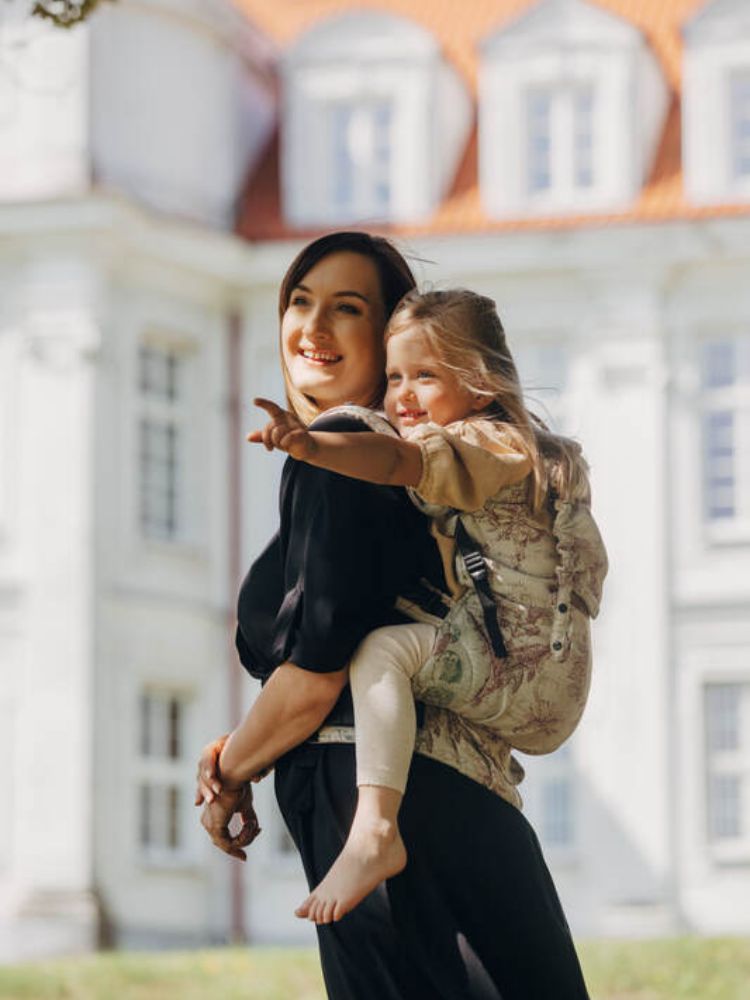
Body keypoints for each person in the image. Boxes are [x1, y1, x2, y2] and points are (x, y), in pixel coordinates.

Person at [196, 232, 591, 999]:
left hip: (378, 788)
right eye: (299, 301)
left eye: (347, 309)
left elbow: (314, 680)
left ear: (393, 335)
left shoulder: (353, 446)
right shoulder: (414, 464)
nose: (311, 327)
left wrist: (227, 771)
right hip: (458, 781)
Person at [248, 287, 607, 926]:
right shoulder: (507, 448)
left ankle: (375, 830)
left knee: (383, 652)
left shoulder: (491, 442)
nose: (403, 395)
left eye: (425, 376)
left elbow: (397, 461)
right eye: (393, 378)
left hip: (534, 663)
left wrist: (310, 445)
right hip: (525, 663)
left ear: (481, 386)